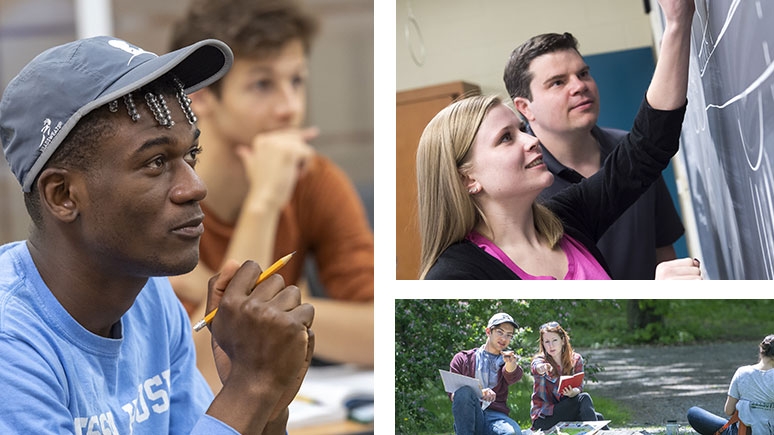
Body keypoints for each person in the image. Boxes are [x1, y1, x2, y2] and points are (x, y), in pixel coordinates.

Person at [0, 35, 314, 434]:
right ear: (63, 195)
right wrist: (251, 386)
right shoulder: (9, 345)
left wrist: (270, 407)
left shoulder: (149, 299)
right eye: (156, 161)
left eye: (190, 156)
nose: (194, 186)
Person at [167, 0, 374, 392]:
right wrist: (264, 201)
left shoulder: (312, 178)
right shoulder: (159, 200)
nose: (290, 107)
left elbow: (383, 330)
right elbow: (205, 375)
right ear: (199, 96)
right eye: (262, 84)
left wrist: (216, 289)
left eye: (296, 80)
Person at [415, 0, 698, 280]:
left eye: (520, 130)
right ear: (467, 179)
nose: (530, 141)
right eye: (505, 138)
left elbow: (648, 146)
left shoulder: (565, 219)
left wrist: (677, 23)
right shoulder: (457, 276)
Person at [503, 31, 685, 280]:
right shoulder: (521, 186)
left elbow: (663, 249)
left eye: (583, 73)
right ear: (525, 107)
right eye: (558, 82)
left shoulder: (635, 154)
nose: (579, 86)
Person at [449, 313, 524, 435]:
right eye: (500, 332)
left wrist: (510, 363)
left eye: (509, 335)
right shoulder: (463, 359)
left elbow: (512, 374)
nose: (504, 339)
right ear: (488, 331)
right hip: (470, 416)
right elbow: (454, 396)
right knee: (463, 391)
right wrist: (479, 392)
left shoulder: (506, 361)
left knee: (512, 433)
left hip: (496, 417)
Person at [687, 335, 774, 435]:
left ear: (761, 349)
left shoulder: (742, 372)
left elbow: (729, 410)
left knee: (693, 413)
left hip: (740, 431)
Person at [530, 322, 604, 431]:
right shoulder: (541, 360)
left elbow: (578, 388)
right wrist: (541, 368)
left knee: (599, 418)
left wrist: (573, 392)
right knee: (584, 398)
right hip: (544, 417)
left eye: (554, 340)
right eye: (547, 342)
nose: (551, 345)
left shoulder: (576, 359)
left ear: (563, 340)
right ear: (543, 344)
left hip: (566, 411)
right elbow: (536, 366)